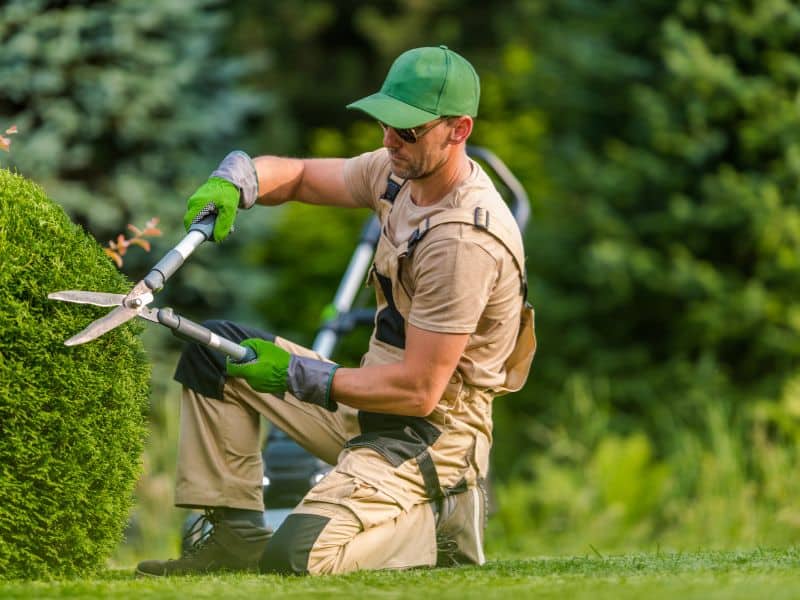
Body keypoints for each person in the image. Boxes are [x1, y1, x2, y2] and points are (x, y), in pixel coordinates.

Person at [136, 45, 535, 577]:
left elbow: (419, 393)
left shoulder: (463, 240)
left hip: (431, 441)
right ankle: (233, 540)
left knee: (297, 557)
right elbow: (299, 176)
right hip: (368, 406)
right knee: (215, 353)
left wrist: (299, 374)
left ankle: (436, 524)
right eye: (385, 123)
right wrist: (239, 178)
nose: (390, 140)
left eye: (408, 130)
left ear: (459, 130)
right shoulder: (399, 174)